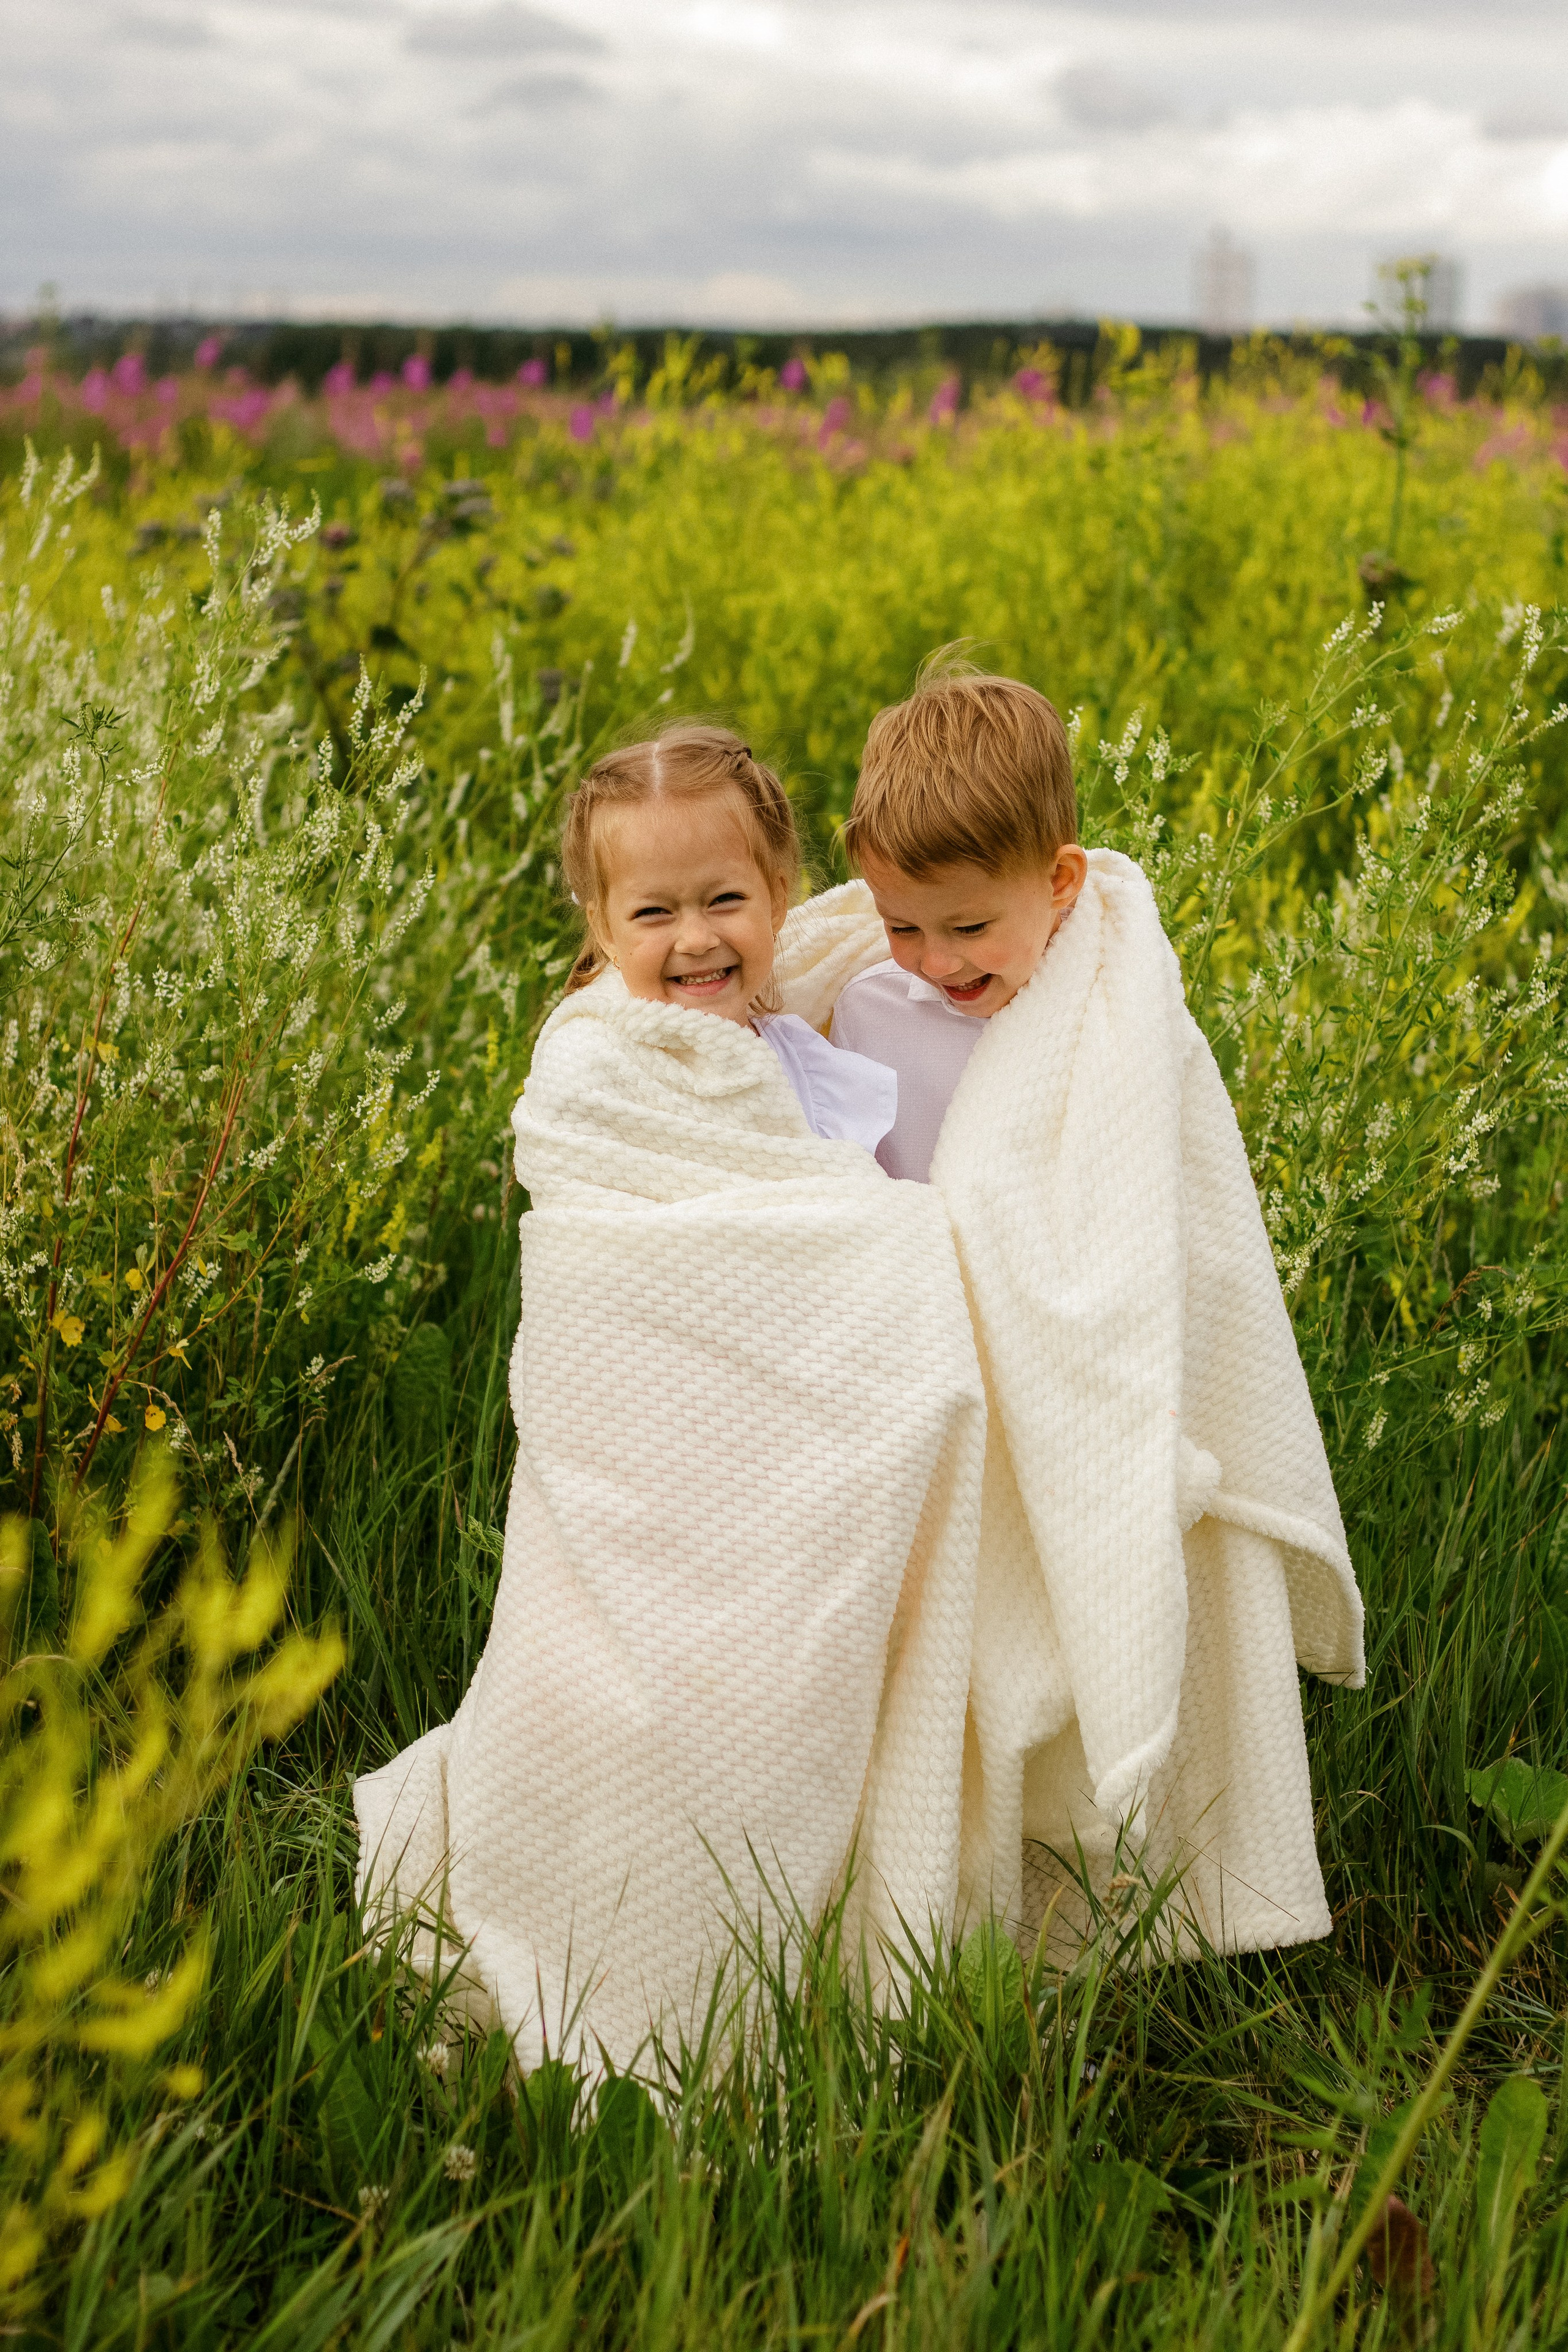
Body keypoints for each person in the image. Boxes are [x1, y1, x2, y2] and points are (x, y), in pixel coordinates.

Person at [355, 724, 987, 2076]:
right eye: (652, 911)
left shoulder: (801, 1043)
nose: (694, 939)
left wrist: (882, 1247)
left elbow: (833, 1208)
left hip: (794, 1473)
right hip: (645, 1492)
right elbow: (695, 1260)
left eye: (724, 901)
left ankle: (794, 1905)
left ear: (777, 894)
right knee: (631, 1693)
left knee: (784, 1697)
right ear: (597, 926)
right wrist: (899, 1251)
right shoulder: (598, 1073)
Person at [775, 657, 1366, 1956]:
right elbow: (843, 1168)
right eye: (900, 925)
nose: (933, 964)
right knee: (931, 1645)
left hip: (1060, 1359)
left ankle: (1101, 1882)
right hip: (921, 1358)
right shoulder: (866, 1007)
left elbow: (1165, 1222)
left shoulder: (1117, 1026)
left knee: (1069, 1604)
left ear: (1057, 882)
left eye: (967, 929)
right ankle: (937, 1879)